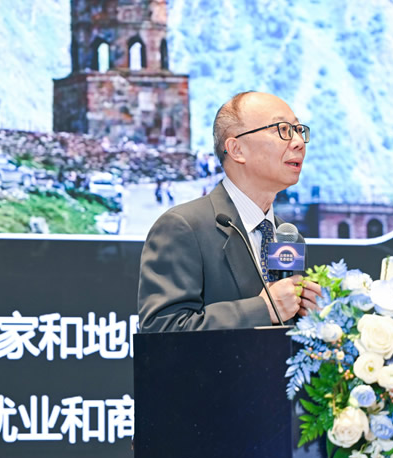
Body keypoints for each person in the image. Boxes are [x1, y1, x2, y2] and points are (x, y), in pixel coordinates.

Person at [137, 91, 321, 332]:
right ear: (236, 149)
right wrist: (263, 310)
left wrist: (312, 317)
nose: (298, 142)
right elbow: (162, 330)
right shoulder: (183, 227)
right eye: (283, 130)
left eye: (298, 130)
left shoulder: (288, 237)